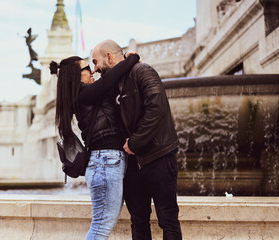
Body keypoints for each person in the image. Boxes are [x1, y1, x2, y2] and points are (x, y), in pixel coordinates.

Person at [91, 40, 182, 240]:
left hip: (159, 156)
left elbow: (156, 108)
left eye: (95, 62)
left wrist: (134, 143)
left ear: (109, 57)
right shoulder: (110, 85)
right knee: (138, 222)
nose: (94, 68)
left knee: (168, 221)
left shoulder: (142, 71)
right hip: (132, 164)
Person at [50, 52, 140, 240]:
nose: (92, 71)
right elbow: (110, 78)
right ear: (77, 75)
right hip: (105, 162)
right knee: (101, 226)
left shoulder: (85, 95)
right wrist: (131, 59)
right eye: (87, 68)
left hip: (107, 162)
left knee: (103, 224)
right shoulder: (84, 94)